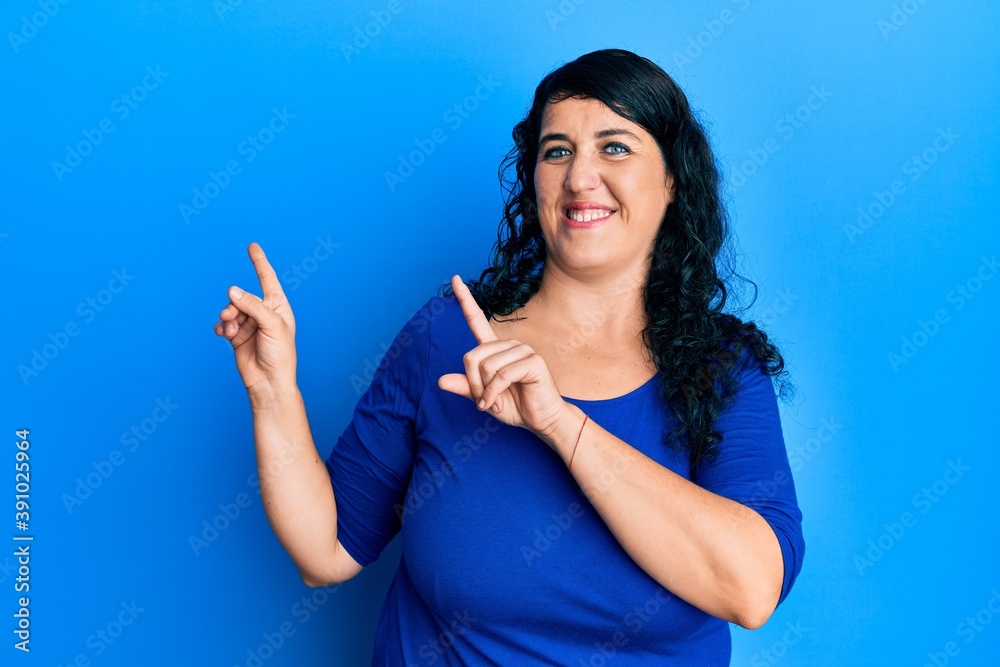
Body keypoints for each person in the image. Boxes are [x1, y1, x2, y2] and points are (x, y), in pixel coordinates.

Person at [215, 48, 804, 665]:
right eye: (557, 151)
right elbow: (325, 553)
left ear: (673, 181)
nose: (580, 177)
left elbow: (751, 588)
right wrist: (272, 388)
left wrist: (558, 422)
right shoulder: (445, 338)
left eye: (615, 147)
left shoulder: (721, 366)